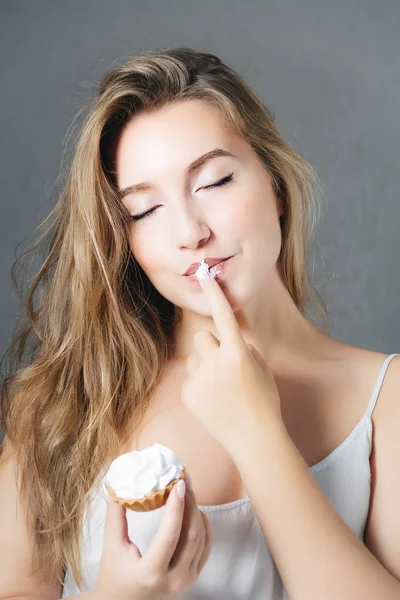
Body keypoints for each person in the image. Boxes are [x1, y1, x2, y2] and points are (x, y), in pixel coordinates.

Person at [0, 46, 399, 600]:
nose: (189, 232)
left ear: (276, 185)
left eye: (213, 182)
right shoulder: (64, 401)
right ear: (126, 241)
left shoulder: (387, 399)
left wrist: (257, 434)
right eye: (144, 210)